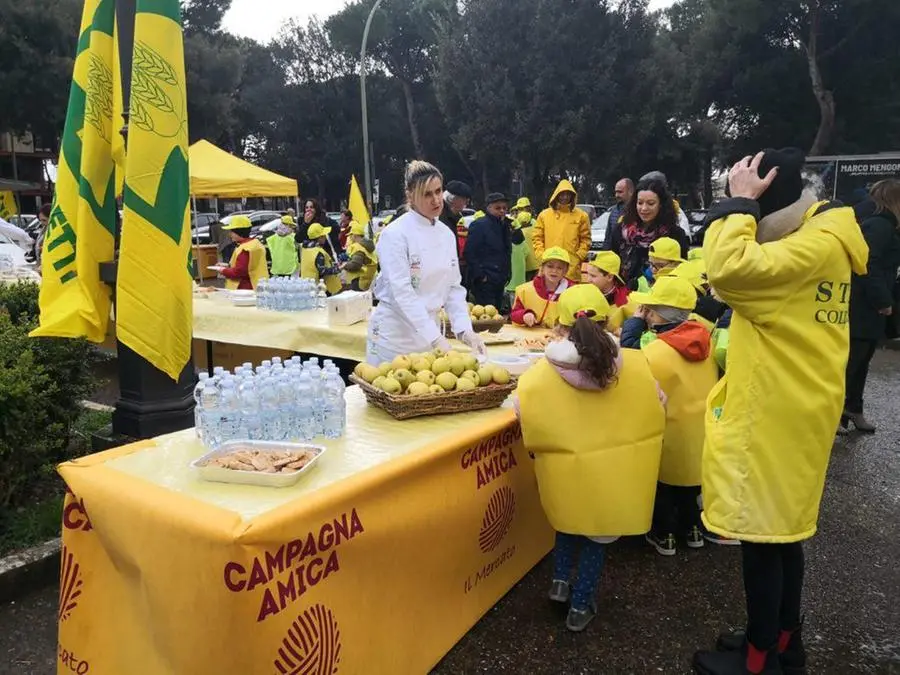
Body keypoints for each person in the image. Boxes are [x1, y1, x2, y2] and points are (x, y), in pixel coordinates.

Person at [691, 149, 868, 675]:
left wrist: (738, 205)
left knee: (762, 537)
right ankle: (782, 640)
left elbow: (728, 269)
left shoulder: (812, 246)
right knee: (784, 534)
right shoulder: (825, 238)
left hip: (776, 409)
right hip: (797, 402)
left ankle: (758, 659)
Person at [515, 284, 666, 632]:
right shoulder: (636, 367)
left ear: (559, 327)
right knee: (597, 541)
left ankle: (558, 583)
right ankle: (580, 606)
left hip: (565, 477)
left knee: (568, 524)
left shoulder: (539, 375)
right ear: (609, 323)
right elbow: (659, 406)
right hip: (614, 479)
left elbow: (525, 415)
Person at [619, 276, 719, 555]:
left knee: (664, 489)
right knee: (690, 489)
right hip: (701, 433)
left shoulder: (658, 352)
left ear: (657, 314)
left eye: (649, 309)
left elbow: (629, 371)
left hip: (669, 434)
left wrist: (633, 327)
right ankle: (693, 530)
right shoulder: (707, 342)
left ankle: (665, 536)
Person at [366, 160, 486, 365]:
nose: (436, 199)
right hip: (394, 338)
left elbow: (453, 288)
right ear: (410, 195)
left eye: (438, 191)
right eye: (427, 194)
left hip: (429, 336)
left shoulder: (446, 234)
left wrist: (465, 329)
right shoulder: (395, 234)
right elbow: (402, 292)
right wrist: (436, 338)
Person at [842, 179, 900, 433]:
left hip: (867, 305)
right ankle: (837, 413)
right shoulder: (880, 226)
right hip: (863, 306)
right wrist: (883, 301)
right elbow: (868, 265)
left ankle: (853, 409)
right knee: (852, 362)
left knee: (862, 361)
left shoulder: (885, 225)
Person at [609, 177, 689, 287]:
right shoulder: (620, 230)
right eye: (640, 203)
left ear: (661, 204)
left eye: (651, 203)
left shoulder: (674, 234)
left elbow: (682, 270)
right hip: (623, 295)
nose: (644, 208)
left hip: (661, 294)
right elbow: (610, 263)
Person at [533, 179, 592, 278]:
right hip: (548, 264)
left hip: (571, 266)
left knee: (570, 293)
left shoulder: (582, 216)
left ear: (573, 196)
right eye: (562, 194)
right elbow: (537, 238)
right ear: (556, 195)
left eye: (568, 194)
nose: (565, 197)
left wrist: (578, 257)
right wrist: (541, 255)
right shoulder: (544, 215)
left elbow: (586, 239)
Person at [465, 193, 513, 310]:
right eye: (498, 208)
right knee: (486, 313)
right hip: (485, 279)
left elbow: (510, 247)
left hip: (500, 278)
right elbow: (470, 252)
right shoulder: (479, 225)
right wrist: (481, 276)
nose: (502, 211)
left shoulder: (505, 225)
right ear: (489, 208)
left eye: (504, 208)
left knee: (496, 313)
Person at [510, 247, 573, 328]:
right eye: (550, 266)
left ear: (565, 271)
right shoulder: (524, 290)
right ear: (542, 268)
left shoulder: (572, 292)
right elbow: (514, 314)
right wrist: (525, 314)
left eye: (559, 268)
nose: (554, 271)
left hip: (559, 337)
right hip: (530, 336)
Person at [584, 251, 633, 332]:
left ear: (610, 277)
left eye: (593, 276)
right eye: (588, 274)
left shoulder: (627, 301)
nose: (588, 280)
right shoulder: (584, 295)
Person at [220, 216, 269, 290]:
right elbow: (250, 265)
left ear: (239, 232)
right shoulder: (255, 243)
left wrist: (223, 271)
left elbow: (239, 272)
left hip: (244, 289)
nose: (230, 235)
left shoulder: (245, 249)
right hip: (256, 285)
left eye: (231, 232)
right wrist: (227, 266)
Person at [640, 171, 692, 239]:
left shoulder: (676, 212)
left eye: (651, 203)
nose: (644, 208)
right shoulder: (631, 217)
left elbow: (685, 237)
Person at [300, 223, 342, 295]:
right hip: (320, 288)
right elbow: (322, 271)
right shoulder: (318, 252)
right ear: (319, 237)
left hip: (307, 285)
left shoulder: (304, 248)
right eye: (323, 235)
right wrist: (337, 268)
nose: (325, 237)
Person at [342, 220, 378, 292]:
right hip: (368, 279)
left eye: (351, 235)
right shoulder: (368, 245)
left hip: (358, 281)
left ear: (355, 235)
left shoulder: (358, 247)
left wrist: (344, 265)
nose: (350, 237)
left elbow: (355, 265)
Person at [601, 178, 635, 251]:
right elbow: (608, 237)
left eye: (620, 192)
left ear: (631, 192)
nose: (617, 195)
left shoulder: (639, 211)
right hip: (615, 258)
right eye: (616, 192)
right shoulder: (613, 211)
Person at [511, 197, 540, 279]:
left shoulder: (535, 223)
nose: (521, 211)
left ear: (528, 208)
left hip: (534, 263)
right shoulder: (515, 222)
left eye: (523, 208)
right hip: (523, 263)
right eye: (519, 208)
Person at [33, 204, 51, 269]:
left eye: (44, 220)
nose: (42, 223)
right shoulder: (43, 229)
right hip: (40, 265)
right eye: (40, 220)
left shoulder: (54, 230)